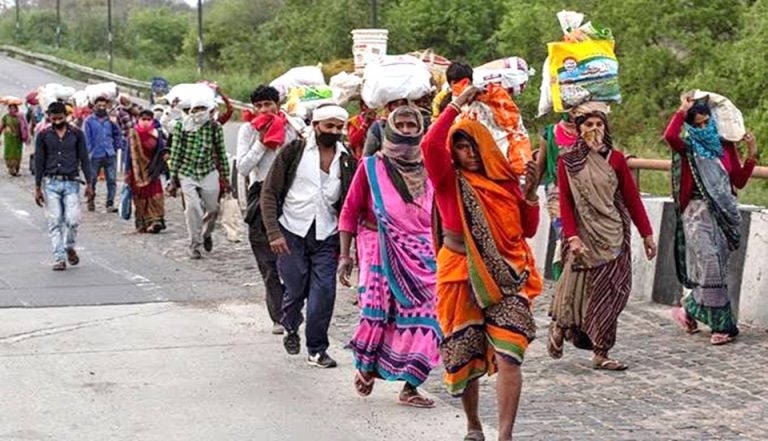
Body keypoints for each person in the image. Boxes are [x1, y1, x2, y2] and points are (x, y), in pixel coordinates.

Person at [423, 86, 541, 441]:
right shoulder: (448, 182)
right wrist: (456, 105)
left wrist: (531, 193)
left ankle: (504, 434)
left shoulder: (503, 184)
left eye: (474, 145)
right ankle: (474, 425)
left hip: (506, 275)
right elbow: (430, 145)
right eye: (461, 146)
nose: (469, 153)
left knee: (511, 353)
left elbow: (527, 229)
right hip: (459, 274)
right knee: (466, 353)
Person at [338, 106, 442, 407]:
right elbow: (349, 210)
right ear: (391, 129)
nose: (408, 129)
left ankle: (410, 386)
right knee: (378, 313)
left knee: (428, 318)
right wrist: (345, 256)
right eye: (403, 124)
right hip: (377, 247)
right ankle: (367, 366)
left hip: (422, 252)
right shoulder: (371, 166)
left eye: (413, 125)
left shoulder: (431, 167)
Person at [548, 102, 657, 371]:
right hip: (584, 235)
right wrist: (572, 237)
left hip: (613, 234)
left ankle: (600, 349)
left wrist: (647, 234)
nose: (595, 129)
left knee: (615, 291)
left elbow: (631, 199)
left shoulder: (616, 159)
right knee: (578, 290)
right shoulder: (568, 161)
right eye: (589, 125)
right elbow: (566, 202)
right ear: (579, 129)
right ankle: (570, 331)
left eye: (599, 124)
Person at [260, 104, 357, 369]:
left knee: (324, 292)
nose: (334, 132)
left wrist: (350, 246)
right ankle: (290, 325)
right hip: (291, 232)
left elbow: (350, 202)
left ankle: (317, 349)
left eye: (339, 127)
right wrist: (274, 233)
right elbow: (269, 192)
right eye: (329, 126)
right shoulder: (294, 152)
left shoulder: (346, 159)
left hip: (327, 234)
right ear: (316, 126)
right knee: (295, 288)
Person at [666, 96, 758, 345]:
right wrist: (681, 110)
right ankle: (723, 326)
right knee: (710, 264)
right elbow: (669, 136)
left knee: (717, 267)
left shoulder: (725, 147)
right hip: (697, 213)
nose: (705, 128)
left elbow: (737, 180)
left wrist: (751, 153)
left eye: (708, 123)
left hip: (723, 214)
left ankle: (688, 309)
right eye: (699, 125)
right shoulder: (687, 148)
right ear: (691, 126)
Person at [236, 85, 304, 335]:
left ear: (278, 104)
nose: (264, 110)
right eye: (259, 106)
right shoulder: (247, 130)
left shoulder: (291, 126)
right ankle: (279, 316)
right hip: (261, 194)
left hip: (290, 194)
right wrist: (262, 143)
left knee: (293, 257)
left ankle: (294, 305)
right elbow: (243, 167)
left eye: (269, 105)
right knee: (268, 261)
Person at [34, 102, 94, 271]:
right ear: (49, 117)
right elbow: (39, 161)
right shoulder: (44, 135)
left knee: (73, 220)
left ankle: (69, 246)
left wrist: (89, 183)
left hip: (71, 183)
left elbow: (84, 159)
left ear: (66, 116)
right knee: (55, 221)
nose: (57, 121)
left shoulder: (77, 134)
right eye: (54, 118)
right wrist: (37, 187)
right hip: (51, 183)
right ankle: (59, 258)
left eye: (60, 118)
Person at [168, 100, 231, 260]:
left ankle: (206, 233)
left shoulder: (214, 127)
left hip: (207, 170)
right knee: (193, 208)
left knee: (213, 209)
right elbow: (175, 153)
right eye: (196, 109)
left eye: (203, 108)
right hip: (187, 172)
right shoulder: (181, 126)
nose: (199, 112)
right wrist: (173, 179)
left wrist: (226, 176)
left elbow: (221, 151)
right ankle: (194, 244)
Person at [535, 111, 579, 280]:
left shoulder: (591, 130)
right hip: (558, 194)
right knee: (566, 238)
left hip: (585, 193)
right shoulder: (551, 133)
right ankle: (563, 280)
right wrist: (529, 196)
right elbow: (541, 166)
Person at [125, 109, 167, 234]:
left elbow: (162, 151)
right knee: (141, 197)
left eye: (149, 120)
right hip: (137, 172)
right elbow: (129, 154)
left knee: (155, 194)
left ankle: (155, 221)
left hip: (153, 170)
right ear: (138, 120)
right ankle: (143, 222)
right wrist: (127, 171)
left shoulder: (156, 133)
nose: (146, 122)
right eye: (143, 119)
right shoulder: (134, 134)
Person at [83, 96, 124, 213]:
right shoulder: (89, 121)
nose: (101, 108)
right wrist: (87, 153)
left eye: (104, 106)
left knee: (111, 179)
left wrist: (117, 146)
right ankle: (91, 200)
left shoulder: (110, 121)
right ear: (94, 107)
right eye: (99, 106)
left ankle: (110, 203)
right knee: (92, 180)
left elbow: (117, 134)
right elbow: (87, 138)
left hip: (109, 153)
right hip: (95, 154)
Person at [1, 103, 29, 176]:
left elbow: (25, 127)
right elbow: (1, 127)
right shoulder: (5, 117)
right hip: (9, 140)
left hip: (18, 139)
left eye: (14, 108)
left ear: (17, 109)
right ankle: (11, 169)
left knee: (18, 154)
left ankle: (16, 169)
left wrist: (26, 136)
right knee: (9, 153)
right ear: (8, 109)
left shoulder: (20, 117)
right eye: (10, 108)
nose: (12, 110)